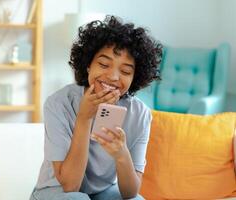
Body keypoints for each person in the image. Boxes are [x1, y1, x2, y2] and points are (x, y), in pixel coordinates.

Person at [30, 15, 162, 200]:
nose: (113, 77)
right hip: (55, 192)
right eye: (103, 64)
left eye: (125, 71)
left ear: (135, 78)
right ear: (88, 66)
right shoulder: (59, 103)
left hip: (102, 193)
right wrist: (84, 118)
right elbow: (70, 185)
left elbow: (131, 193)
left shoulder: (139, 114)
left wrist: (121, 154)